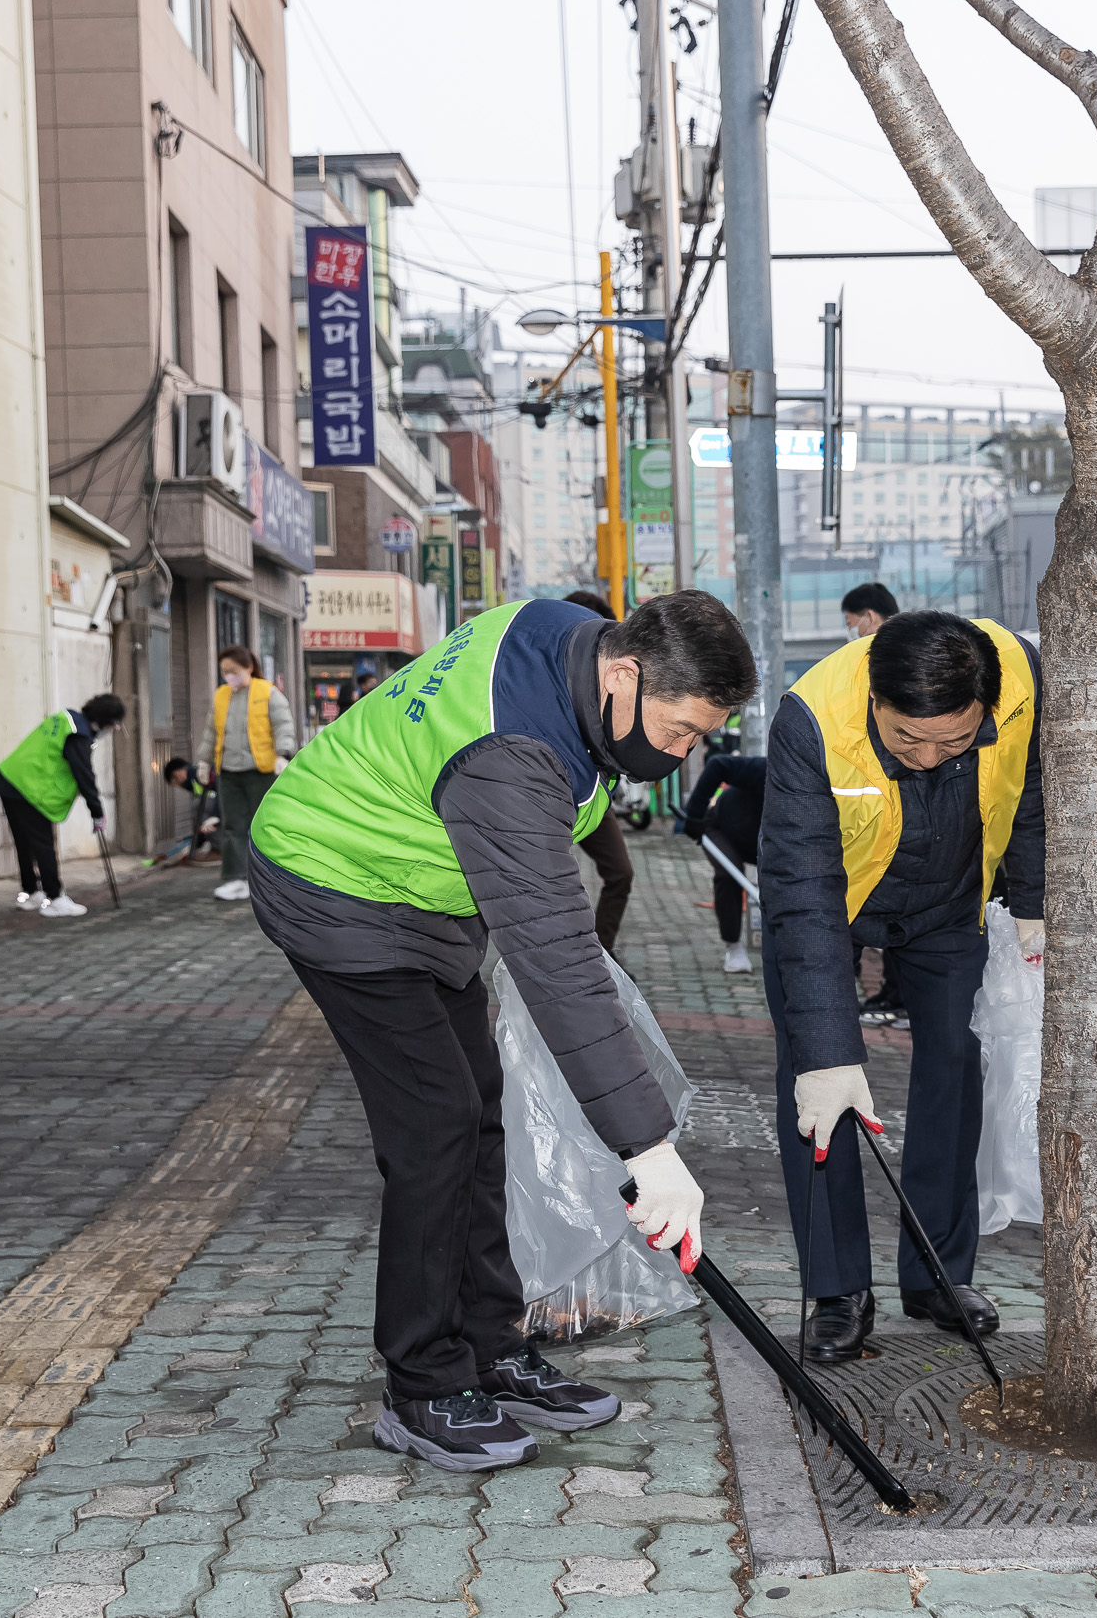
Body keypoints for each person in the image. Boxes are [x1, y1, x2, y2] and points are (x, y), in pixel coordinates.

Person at [247, 591, 754, 1471]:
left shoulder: (564, 636)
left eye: (697, 738)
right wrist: (648, 1147)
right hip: (331, 880)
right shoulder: (510, 757)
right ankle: (423, 1383)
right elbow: (557, 955)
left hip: (413, 892)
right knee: (434, 1124)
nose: (680, 756)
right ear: (625, 675)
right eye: (679, 731)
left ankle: (488, 1342)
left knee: (479, 1106)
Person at [760, 611, 1043, 1364]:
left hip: (949, 902)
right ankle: (837, 1288)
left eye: (953, 740)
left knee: (953, 1069)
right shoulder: (809, 719)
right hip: (832, 907)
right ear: (873, 702)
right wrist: (828, 1052)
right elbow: (801, 886)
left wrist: (1037, 902)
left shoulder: (1022, 678)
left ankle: (938, 1276)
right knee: (817, 1084)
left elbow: (1037, 786)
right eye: (906, 739)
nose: (927, 757)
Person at [0, 692, 128, 919]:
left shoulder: (66, 720)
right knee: (43, 843)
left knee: (25, 842)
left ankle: (32, 892)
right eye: (114, 725)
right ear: (105, 721)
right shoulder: (79, 734)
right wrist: (97, 813)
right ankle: (55, 898)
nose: (112, 730)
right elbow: (84, 775)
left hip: (10, 780)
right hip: (28, 788)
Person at [838, 582, 906, 1026]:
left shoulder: (888, 660)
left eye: (851, 624)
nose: (851, 633)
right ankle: (891, 996)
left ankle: (895, 998)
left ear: (871, 617)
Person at [560, 591, 635, 954]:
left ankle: (603, 955)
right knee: (543, 885)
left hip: (593, 794)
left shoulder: (616, 676)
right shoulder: (549, 673)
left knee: (621, 873)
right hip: (543, 792)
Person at [197, 645, 295, 903]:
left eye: (233, 671)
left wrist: (283, 754)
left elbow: (283, 724)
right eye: (224, 672)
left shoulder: (268, 693)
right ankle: (236, 879)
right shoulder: (221, 696)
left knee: (265, 825)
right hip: (229, 771)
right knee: (232, 827)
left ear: (249, 667)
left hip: (261, 770)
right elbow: (211, 731)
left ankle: (273, 878)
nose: (229, 676)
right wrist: (203, 761)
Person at [680, 752, 766, 975]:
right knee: (730, 873)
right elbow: (718, 764)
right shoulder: (767, 770)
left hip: (764, 845)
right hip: (720, 829)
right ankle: (734, 947)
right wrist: (695, 815)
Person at [158, 757, 221, 865]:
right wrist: (195, 845)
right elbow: (199, 819)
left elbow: (222, 794)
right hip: (226, 807)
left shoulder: (198, 775)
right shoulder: (195, 779)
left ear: (178, 774)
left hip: (227, 806)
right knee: (198, 805)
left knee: (198, 805)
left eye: (176, 784)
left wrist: (216, 816)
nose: (180, 787)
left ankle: (219, 850)